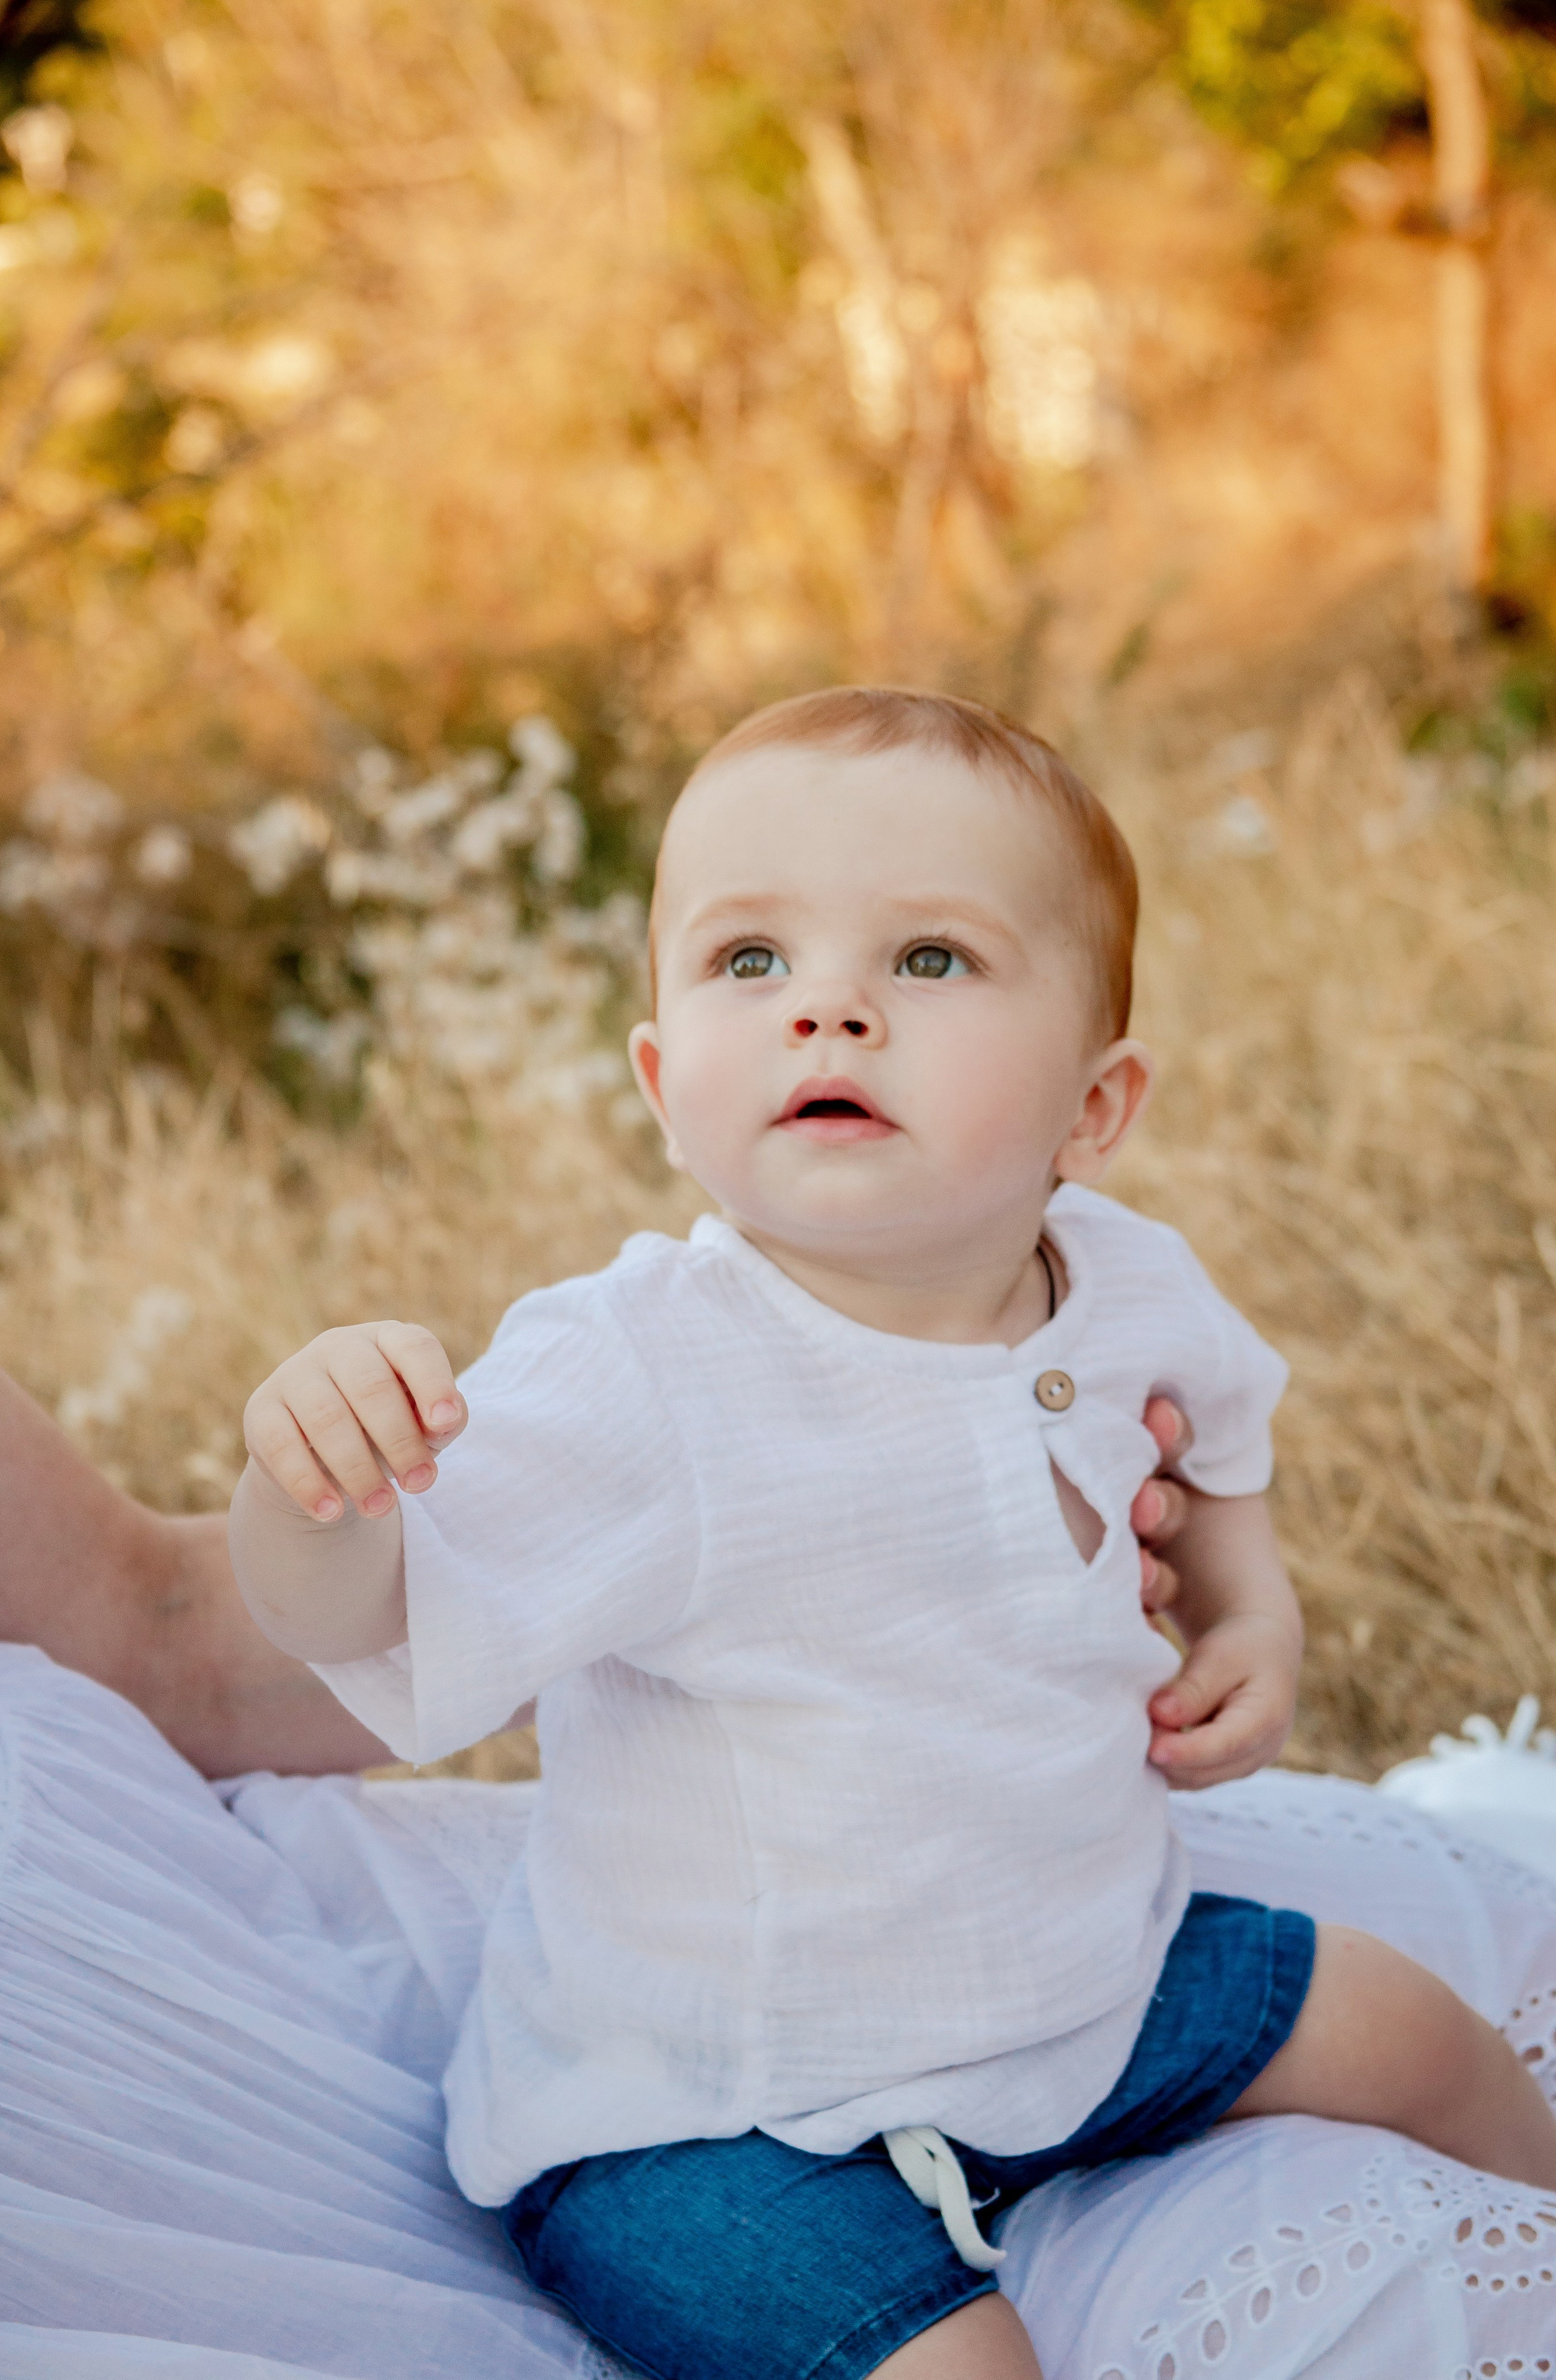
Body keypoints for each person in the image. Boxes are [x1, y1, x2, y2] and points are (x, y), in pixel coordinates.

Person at [230, 687, 1556, 2380]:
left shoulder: (1128, 1276)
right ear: (659, 1077)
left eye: (927, 961)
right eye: (749, 962)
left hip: (1076, 1980)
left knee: (1412, 2028)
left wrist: (1251, 1614)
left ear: (1096, 1106)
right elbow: (370, 1614)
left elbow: (1219, 1436)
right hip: (721, 2110)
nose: (830, 1012)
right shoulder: (646, 1374)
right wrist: (311, 1487)